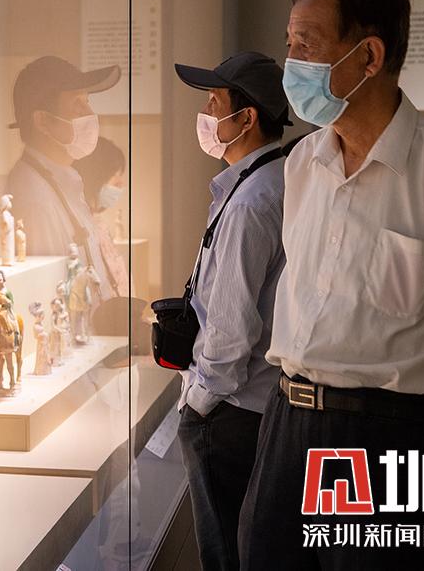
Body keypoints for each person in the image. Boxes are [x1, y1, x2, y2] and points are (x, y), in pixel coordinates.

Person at [238, 0, 424, 571]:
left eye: (306, 45)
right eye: (289, 44)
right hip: (289, 423)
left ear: (368, 56)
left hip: (397, 439)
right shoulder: (302, 164)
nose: (290, 63)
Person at [172, 51, 291, 571]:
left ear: (246, 119)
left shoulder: (251, 200)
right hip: (261, 403)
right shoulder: (274, 180)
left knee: (225, 551)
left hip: (232, 411)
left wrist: (200, 402)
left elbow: (232, 323)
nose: (205, 115)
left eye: (214, 103)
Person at [6, 55, 121, 301]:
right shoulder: (35, 197)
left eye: (87, 102)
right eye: (77, 104)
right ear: (42, 121)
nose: (89, 113)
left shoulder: (60, 180)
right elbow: (50, 292)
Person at [72, 137, 132, 298]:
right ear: (97, 176)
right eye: (115, 175)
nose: (121, 183)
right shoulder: (81, 224)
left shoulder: (97, 222)